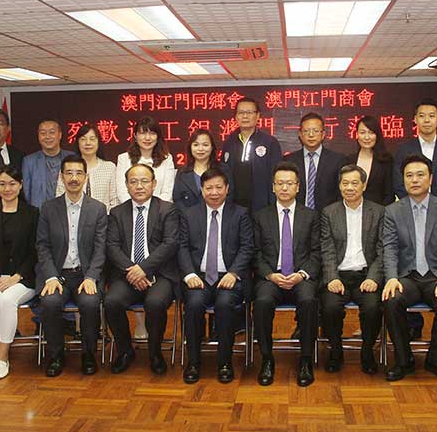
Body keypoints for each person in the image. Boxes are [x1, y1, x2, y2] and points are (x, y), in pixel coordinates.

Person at [382, 154, 437, 382]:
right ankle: (403, 360)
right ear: (403, 180)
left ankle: (435, 359)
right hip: (407, 276)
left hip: (436, 276)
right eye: (409, 176)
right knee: (391, 299)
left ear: (431, 178)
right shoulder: (393, 211)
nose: (414, 180)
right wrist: (391, 277)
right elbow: (389, 248)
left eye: (420, 175)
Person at [393, 99, 437, 341]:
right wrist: (414, 202)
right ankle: (413, 327)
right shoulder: (404, 149)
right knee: (409, 266)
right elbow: (398, 183)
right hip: (409, 213)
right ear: (415, 120)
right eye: (422, 115)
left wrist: (435, 207)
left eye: (431, 115)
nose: (426, 120)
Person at [178, 167, 253, 384]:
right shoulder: (189, 214)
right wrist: (189, 274)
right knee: (193, 305)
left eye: (219, 187)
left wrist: (234, 273)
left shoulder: (240, 214)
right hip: (199, 277)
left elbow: (247, 247)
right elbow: (182, 247)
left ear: (227, 189)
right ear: (201, 190)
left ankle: (224, 362)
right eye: (209, 188)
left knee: (224, 305)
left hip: (228, 277)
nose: (214, 192)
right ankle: (194, 362)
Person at [36, 155, 107, 377]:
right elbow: (42, 246)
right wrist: (50, 276)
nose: (74, 178)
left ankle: (88, 355)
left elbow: (100, 248)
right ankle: (56, 355)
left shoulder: (98, 208)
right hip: (58, 275)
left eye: (78, 173)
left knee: (90, 303)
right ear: (61, 177)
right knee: (49, 303)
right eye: (69, 173)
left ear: (85, 177)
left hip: (85, 275)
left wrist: (91, 277)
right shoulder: (49, 208)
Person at [105, 163, 180, 375]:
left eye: (144, 181)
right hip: (127, 274)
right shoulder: (117, 212)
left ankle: (155, 353)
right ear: (127, 185)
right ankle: (125, 351)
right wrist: (133, 270)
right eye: (133, 182)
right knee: (111, 301)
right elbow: (112, 246)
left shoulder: (167, 210)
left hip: (160, 274)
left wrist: (144, 269)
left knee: (155, 303)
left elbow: (170, 244)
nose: (139, 186)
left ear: (154, 184)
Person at [252, 161, 321, 387]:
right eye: (280, 183)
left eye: (289, 183)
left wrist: (302, 274)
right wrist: (270, 275)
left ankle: (306, 359)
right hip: (271, 277)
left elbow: (316, 253)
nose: (284, 188)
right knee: (262, 302)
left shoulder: (311, 216)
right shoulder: (261, 216)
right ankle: (267, 358)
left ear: (298, 187)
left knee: (309, 300)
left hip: (300, 276)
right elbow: (255, 253)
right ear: (273, 187)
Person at [320, 164, 385, 375]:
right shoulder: (329, 212)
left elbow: (382, 249)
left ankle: (367, 352)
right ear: (339, 186)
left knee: (373, 307)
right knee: (330, 307)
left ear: (364, 185)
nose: (349, 188)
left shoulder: (379, 212)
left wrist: (374, 277)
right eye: (345, 183)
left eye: (354, 183)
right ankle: (335, 351)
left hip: (366, 275)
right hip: (338, 275)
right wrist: (331, 277)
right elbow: (327, 248)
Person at [0, 165, 39, 380]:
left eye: (12, 183)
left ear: (20, 185)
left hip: (22, 279)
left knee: (7, 300)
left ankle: (3, 356)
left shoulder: (32, 213)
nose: (7, 188)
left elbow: (35, 251)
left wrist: (16, 277)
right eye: (2, 184)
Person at [221, 97, 283, 212]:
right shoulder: (229, 143)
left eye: (249, 112)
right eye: (241, 112)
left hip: (262, 207)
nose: (245, 116)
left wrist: (273, 206)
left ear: (258, 115)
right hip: (234, 207)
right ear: (236, 116)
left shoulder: (270, 142)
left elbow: (277, 176)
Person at [284, 112, 346, 211]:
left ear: (323, 134)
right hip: (297, 215)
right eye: (306, 131)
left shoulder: (337, 160)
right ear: (300, 134)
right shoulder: (289, 160)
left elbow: (341, 192)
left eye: (316, 131)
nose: (311, 135)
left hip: (327, 215)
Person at [55, 123, 118, 210]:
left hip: (104, 217)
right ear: (78, 142)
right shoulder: (68, 167)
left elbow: (114, 200)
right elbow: (60, 196)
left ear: (98, 142)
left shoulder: (109, 167)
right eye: (83, 139)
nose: (88, 143)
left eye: (92, 139)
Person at [115, 116, 176, 205]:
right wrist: (138, 208)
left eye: (152, 133)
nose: (147, 138)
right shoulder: (123, 159)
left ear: (158, 137)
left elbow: (167, 193)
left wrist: (150, 209)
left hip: (160, 210)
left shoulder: (166, 159)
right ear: (135, 136)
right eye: (143, 133)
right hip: (130, 209)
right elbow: (122, 192)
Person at [22, 119, 74, 208]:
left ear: (60, 135)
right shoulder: (29, 161)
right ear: (38, 136)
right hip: (40, 212)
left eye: (52, 132)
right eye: (43, 133)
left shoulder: (72, 158)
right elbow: (26, 193)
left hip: (68, 211)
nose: (47, 136)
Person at [174, 129, 230, 209]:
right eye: (196, 145)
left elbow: (229, 197)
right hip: (188, 216)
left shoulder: (223, 169)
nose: (200, 149)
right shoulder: (182, 172)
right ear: (190, 147)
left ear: (212, 147)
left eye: (205, 145)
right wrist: (189, 215)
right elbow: (178, 200)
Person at [347, 115, 395, 206]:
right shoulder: (349, 161)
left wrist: (380, 212)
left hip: (379, 211)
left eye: (371, 133)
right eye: (362, 132)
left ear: (377, 135)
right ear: (357, 134)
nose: (367, 137)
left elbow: (389, 194)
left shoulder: (386, 160)